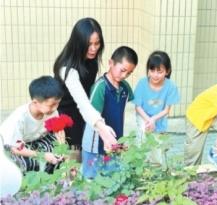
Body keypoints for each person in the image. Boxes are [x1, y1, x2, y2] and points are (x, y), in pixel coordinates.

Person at [53, 18, 117, 157]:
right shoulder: (67, 69)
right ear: (78, 43)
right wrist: (101, 128)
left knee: (84, 153)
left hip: (82, 112)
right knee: (71, 157)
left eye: (97, 43)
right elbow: (82, 102)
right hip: (66, 116)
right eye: (88, 44)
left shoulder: (91, 59)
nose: (93, 49)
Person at [81, 46, 137, 179]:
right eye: (122, 70)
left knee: (113, 178)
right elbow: (92, 117)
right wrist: (105, 138)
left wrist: (122, 139)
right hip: (94, 144)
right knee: (91, 180)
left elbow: (124, 113)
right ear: (111, 63)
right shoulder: (100, 87)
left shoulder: (125, 88)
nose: (124, 76)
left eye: (129, 73)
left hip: (114, 142)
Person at [0, 76, 65, 173]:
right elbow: (16, 148)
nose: (55, 108)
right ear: (35, 102)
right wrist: (42, 155)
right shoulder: (20, 118)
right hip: (11, 146)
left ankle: (49, 175)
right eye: (51, 105)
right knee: (25, 163)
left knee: (55, 149)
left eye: (57, 104)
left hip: (32, 141)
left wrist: (62, 148)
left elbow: (58, 131)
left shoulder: (51, 112)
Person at [133, 50, 180, 168]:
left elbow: (166, 110)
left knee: (158, 148)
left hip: (159, 119)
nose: (155, 75)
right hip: (143, 117)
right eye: (152, 70)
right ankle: (141, 169)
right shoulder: (142, 84)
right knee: (143, 141)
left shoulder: (171, 86)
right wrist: (148, 120)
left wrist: (153, 119)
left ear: (167, 71)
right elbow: (138, 107)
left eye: (160, 71)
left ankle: (157, 172)